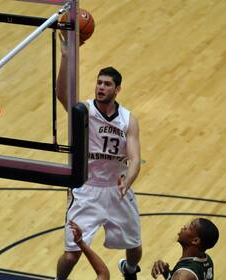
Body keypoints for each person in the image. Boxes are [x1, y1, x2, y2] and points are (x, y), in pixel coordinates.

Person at [55, 37, 142, 280]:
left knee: (134, 248)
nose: (101, 87)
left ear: (117, 89)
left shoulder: (128, 119)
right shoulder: (85, 111)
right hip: (87, 189)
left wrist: (129, 180)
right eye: (99, 83)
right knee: (71, 255)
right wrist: (65, 56)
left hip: (117, 189)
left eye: (107, 84)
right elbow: (62, 94)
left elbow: (135, 159)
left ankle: (130, 270)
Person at [151, 218, 219, 280]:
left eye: (190, 227)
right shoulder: (206, 259)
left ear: (195, 240)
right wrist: (166, 272)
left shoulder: (183, 275)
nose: (184, 227)